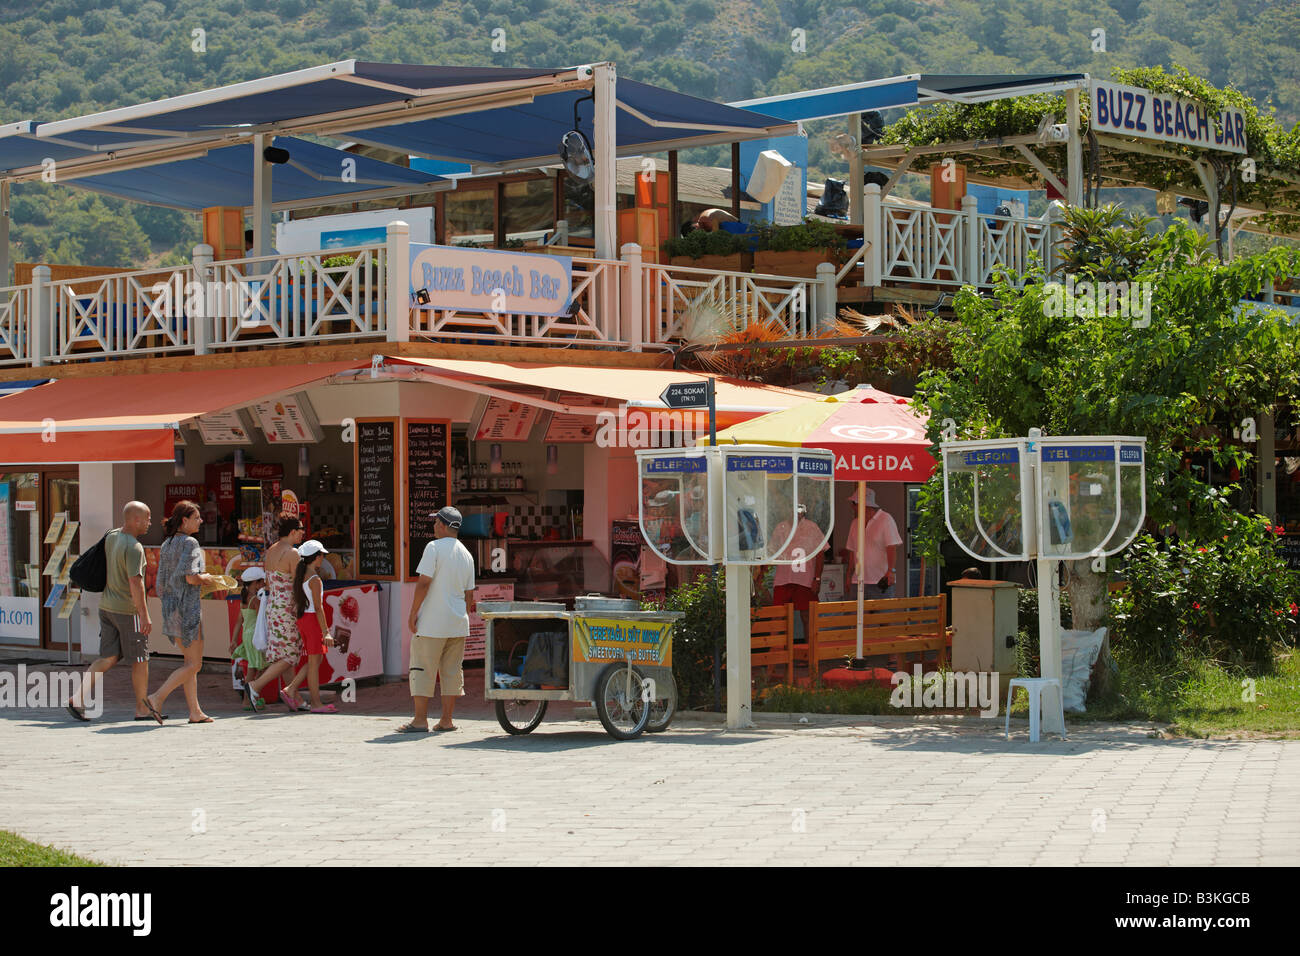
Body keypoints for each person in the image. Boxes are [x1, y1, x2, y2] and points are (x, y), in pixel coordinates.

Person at [66, 501, 154, 722]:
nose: (149, 523)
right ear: (135, 520)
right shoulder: (134, 547)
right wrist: (144, 614)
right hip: (128, 610)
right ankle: (142, 708)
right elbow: (136, 582)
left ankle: (78, 698)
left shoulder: (112, 536)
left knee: (107, 657)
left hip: (106, 607)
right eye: (147, 518)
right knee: (140, 659)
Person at [398, 506, 476, 733]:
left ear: (442, 525)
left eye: (435, 523)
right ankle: (446, 720)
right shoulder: (467, 554)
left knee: (423, 668)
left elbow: (423, 582)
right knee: (452, 671)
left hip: (433, 622)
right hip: (457, 622)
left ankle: (420, 720)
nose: (433, 526)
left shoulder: (433, 548)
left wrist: (413, 613)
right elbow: (469, 593)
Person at [145, 501, 221, 723]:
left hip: (171, 609)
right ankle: (157, 698)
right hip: (187, 609)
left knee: (189, 663)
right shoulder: (191, 543)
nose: (201, 520)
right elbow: (191, 577)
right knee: (194, 664)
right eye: (196, 517)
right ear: (184, 520)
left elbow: (162, 581)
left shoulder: (167, 543)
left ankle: (195, 712)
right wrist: (208, 578)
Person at [244, 513, 305, 711]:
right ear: (293, 531)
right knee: (290, 655)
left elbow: (270, 582)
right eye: (301, 530)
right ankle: (255, 685)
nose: (303, 533)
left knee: (284, 656)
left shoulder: (271, 550)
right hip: (287, 608)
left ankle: (295, 699)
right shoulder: (293, 553)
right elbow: (298, 584)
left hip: (273, 607)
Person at [764, 504, 826, 639]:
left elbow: (820, 554)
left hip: (805, 578)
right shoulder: (781, 527)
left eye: (800, 509)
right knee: (777, 616)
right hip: (783, 578)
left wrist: (817, 579)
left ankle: (810, 652)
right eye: (794, 508)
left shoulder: (812, 527)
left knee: (807, 616)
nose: (797, 512)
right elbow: (771, 552)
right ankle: (776, 651)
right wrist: (761, 572)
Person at [290, 540, 337, 714]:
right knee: (314, 661)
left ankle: (292, 688)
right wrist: (326, 632)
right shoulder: (314, 579)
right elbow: (318, 607)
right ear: (316, 557)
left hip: (303, 619)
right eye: (321, 555)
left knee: (314, 660)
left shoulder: (301, 575)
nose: (323, 558)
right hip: (311, 620)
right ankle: (316, 703)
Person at [839, 486, 903, 598]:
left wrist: (891, 571)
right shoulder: (855, 523)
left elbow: (892, 547)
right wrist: (849, 575)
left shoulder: (885, 519)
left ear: (863, 504)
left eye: (854, 503)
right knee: (856, 615)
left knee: (882, 615)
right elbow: (852, 551)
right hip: (858, 581)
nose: (852, 506)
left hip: (881, 581)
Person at [231, 566, 268, 706]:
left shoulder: (244, 599)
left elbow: (239, 621)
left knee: (254, 667)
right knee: (259, 668)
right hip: (255, 635)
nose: (264, 584)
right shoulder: (255, 600)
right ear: (256, 583)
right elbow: (262, 619)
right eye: (262, 581)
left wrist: (234, 640)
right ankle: (249, 699)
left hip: (247, 636)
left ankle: (250, 698)